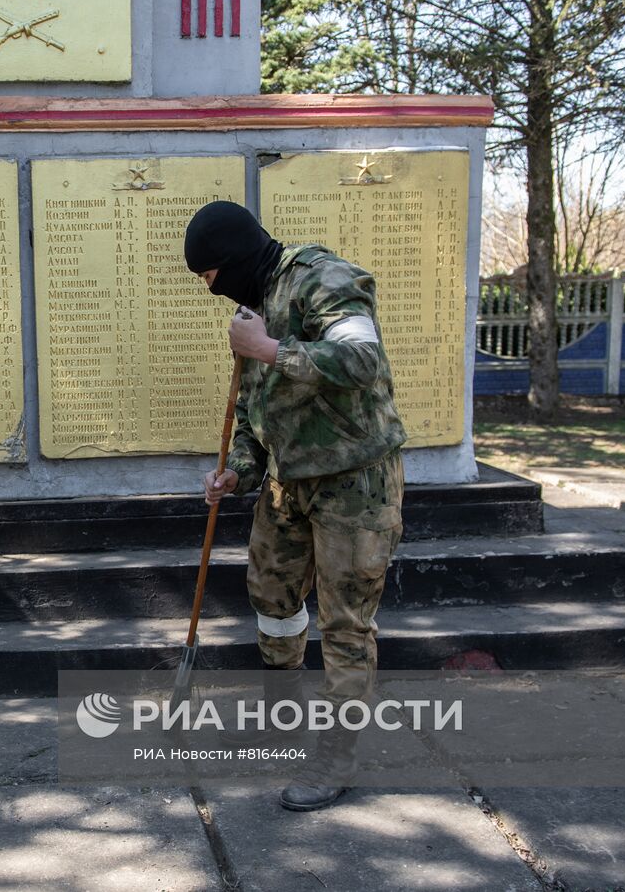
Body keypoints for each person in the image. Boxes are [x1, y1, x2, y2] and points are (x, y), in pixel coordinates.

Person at [184, 201, 406, 812]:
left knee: (345, 623)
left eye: (209, 277)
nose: (212, 291)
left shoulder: (324, 280)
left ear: (230, 262)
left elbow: (364, 362)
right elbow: (261, 412)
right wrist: (238, 472)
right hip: (288, 485)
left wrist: (268, 349)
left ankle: (335, 757)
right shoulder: (254, 306)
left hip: (353, 485)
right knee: (274, 601)